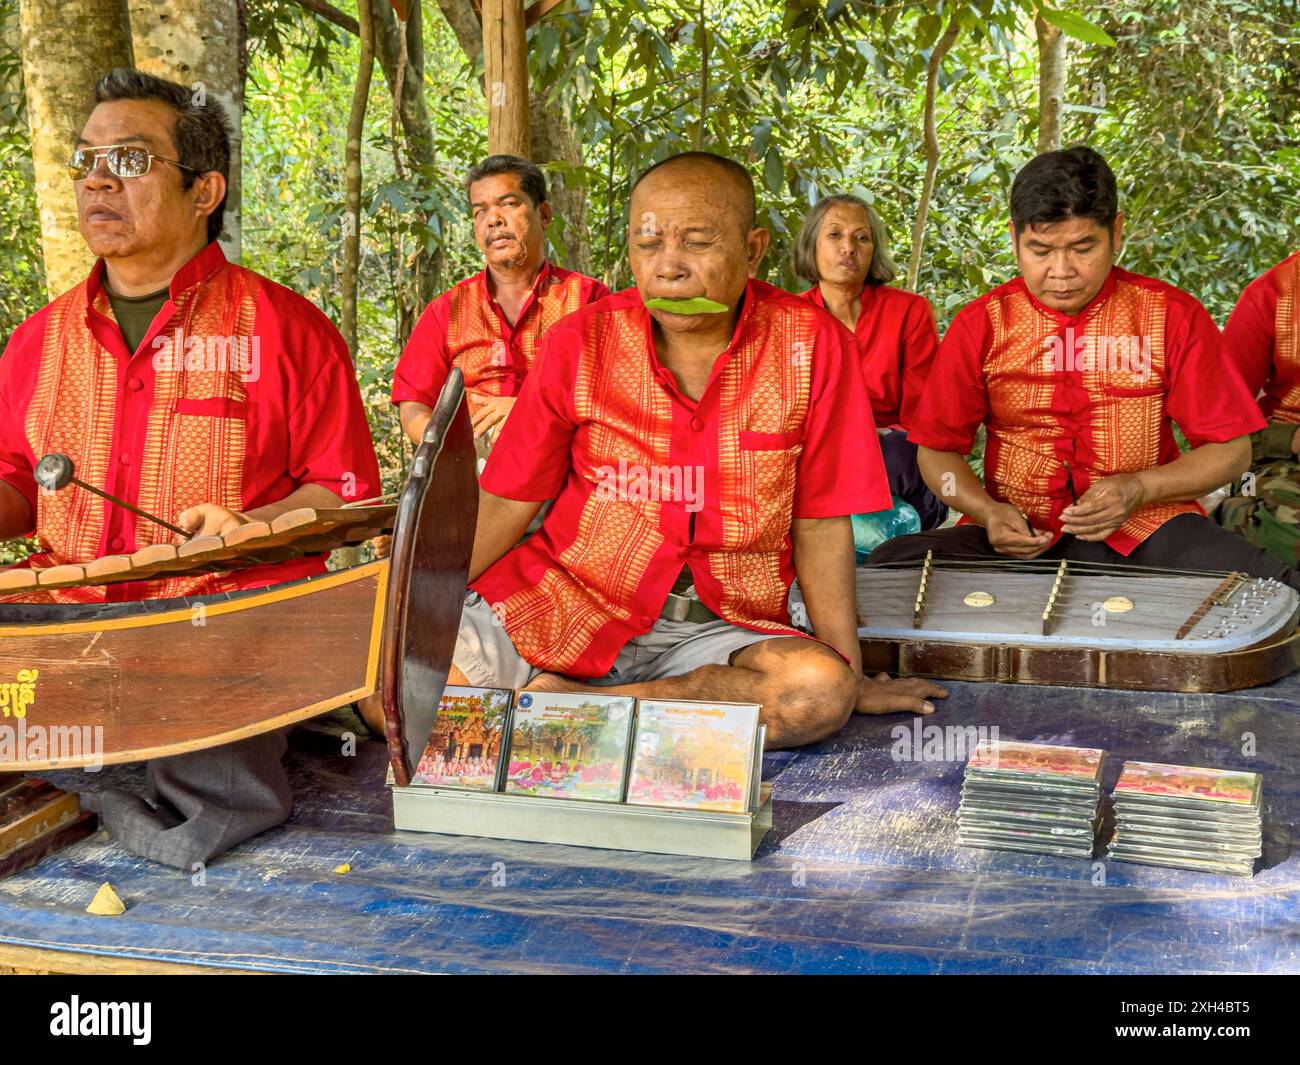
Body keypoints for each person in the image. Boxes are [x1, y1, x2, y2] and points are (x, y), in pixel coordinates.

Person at [0, 69, 380, 868]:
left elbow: (343, 494)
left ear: (205, 190)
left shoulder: (287, 331)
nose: (98, 179)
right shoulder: (36, 342)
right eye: (87, 160)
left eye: (131, 161)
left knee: (213, 779)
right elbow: (16, 487)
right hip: (64, 629)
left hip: (215, 636)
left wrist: (254, 523)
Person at [450, 151, 947, 750]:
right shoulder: (581, 341)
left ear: (754, 249)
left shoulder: (812, 347)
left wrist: (850, 668)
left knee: (815, 694)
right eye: (647, 244)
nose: (667, 269)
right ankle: (582, 714)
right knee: (389, 683)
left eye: (697, 242)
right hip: (565, 602)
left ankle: (569, 710)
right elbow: (506, 500)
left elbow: (820, 522)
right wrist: (422, 601)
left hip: (719, 631)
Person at [869, 146, 1299, 590]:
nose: (1061, 271)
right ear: (1014, 237)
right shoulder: (983, 323)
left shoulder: (1170, 315)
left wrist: (1138, 488)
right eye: (1040, 250)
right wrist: (986, 511)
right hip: (1014, 534)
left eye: (1082, 247)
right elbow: (936, 451)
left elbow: (1231, 451)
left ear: (1116, 232)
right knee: (889, 569)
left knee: (1278, 593)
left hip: (1147, 526)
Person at [391, 155, 608, 461]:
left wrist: (529, 410)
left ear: (544, 214)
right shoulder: (447, 311)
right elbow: (414, 403)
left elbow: (612, 394)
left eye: (508, 204)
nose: (493, 220)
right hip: (470, 469)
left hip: (564, 467)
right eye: (480, 211)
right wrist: (450, 448)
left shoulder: (588, 299)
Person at [793, 194, 946, 528]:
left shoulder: (909, 311)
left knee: (901, 452)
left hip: (891, 458)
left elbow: (923, 415)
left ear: (874, 250)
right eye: (834, 235)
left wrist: (874, 435)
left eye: (861, 238)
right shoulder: (790, 319)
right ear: (811, 245)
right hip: (822, 456)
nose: (848, 247)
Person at [1216, 250, 1300, 562]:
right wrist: (1289, 438)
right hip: (1280, 456)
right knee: (1282, 532)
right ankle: (1233, 511)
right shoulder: (1273, 293)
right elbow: (1217, 421)